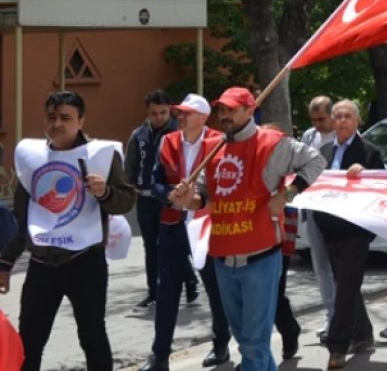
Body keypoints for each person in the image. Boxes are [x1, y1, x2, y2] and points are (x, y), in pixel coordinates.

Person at [169, 86, 325, 371]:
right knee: (247, 342)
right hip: (223, 259)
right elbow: (205, 198)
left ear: (249, 110)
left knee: (253, 344)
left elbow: (316, 161)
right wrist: (187, 200)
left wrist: (287, 194)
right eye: (221, 109)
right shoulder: (213, 147)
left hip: (260, 258)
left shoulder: (273, 143)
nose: (224, 115)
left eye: (231, 109)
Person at [0, 90, 137, 371]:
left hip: (85, 263)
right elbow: (22, 215)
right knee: (30, 341)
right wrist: (5, 261)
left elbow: (126, 201)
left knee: (92, 337)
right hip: (41, 264)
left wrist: (105, 192)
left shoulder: (100, 155)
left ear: (81, 121)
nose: (57, 124)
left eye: (65, 117)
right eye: (51, 117)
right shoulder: (31, 157)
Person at [143, 94, 232, 371]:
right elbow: (155, 181)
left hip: (208, 226)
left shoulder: (219, 142)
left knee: (215, 288)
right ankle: (160, 355)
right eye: (179, 112)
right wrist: (170, 196)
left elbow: (228, 181)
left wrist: (199, 198)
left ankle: (221, 344)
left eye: (187, 113)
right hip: (172, 225)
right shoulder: (168, 141)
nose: (180, 116)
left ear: (204, 118)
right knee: (166, 289)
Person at [315, 100, 383, 369]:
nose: (342, 120)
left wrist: (365, 176)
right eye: (338, 116)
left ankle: (337, 345)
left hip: (355, 230)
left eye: (347, 116)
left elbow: (379, 189)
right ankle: (364, 334)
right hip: (330, 229)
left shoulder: (369, 152)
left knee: (344, 288)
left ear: (357, 121)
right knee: (347, 285)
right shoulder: (322, 152)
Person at [126, 88, 185, 311]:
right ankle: (154, 292)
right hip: (145, 200)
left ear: (169, 110)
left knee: (173, 246)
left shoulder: (178, 134)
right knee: (151, 248)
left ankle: (186, 283)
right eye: (154, 113)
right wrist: (129, 188)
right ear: (148, 113)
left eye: (163, 112)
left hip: (171, 199)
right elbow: (130, 166)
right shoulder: (138, 135)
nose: (159, 117)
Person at [298, 95, 337, 336]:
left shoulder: (343, 137)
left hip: (335, 212)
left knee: (338, 269)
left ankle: (343, 318)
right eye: (313, 119)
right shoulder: (309, 136)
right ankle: (330, 316)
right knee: (321, 268)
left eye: (321, 118)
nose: (317, 124)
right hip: (313, 209)